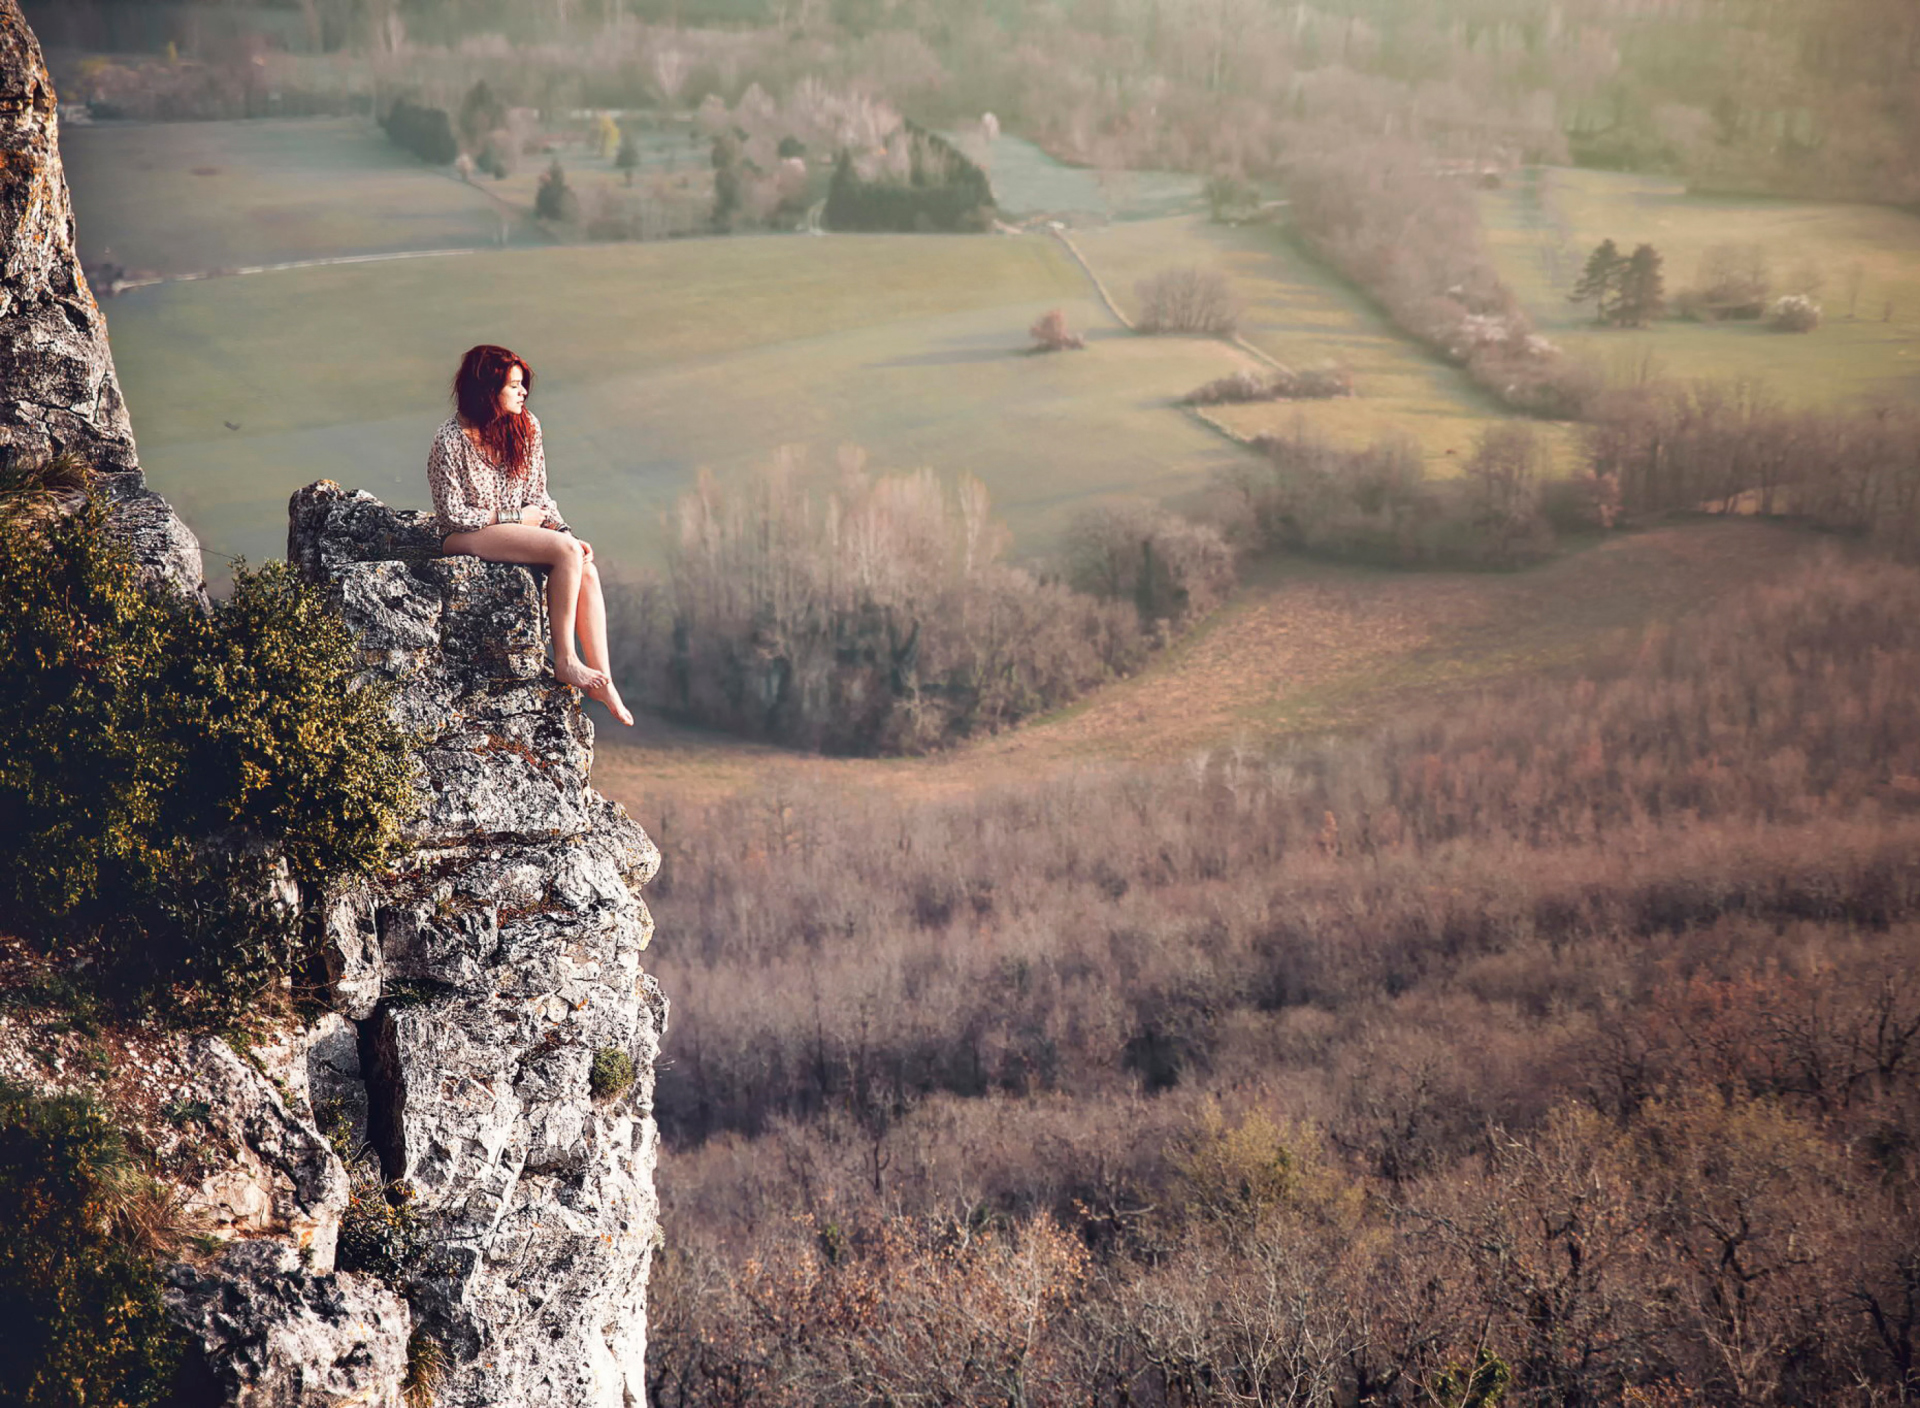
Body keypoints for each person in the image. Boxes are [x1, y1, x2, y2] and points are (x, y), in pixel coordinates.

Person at [428, 344, 633, 726]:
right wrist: (513, 517)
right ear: (488, 390)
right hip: (463, 536)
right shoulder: (449, 439)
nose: (523, 393)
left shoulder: (527, 427)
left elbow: (539, 496)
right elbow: (452, 514)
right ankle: (566, 660)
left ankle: (603, 679)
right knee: (567, 553)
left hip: (513, 529)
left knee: (584, 565)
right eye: (514, 386)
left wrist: (563, 532)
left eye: (523, 385)